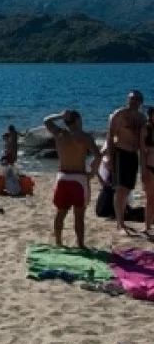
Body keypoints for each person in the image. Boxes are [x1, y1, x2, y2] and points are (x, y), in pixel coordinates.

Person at [44, 110, 100, 248]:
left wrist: (59, 115)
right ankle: (80, 244)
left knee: (61, 212)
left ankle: (58, 242)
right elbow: (98, 156)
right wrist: (93, 171)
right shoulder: (85, 137)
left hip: (62, 176)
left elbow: (46, 120)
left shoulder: (59, 134)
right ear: (78, 120)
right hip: (79, 178)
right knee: (79, 214)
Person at [105, 90, 146, 233]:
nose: (132, 102)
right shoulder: (119, 115)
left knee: (127, 189)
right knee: (120, 188)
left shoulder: (142, 118)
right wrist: (110, 158)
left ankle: (122, 219)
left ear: (141, 102)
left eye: (135, 99)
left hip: (133, 155)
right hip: (120, 153)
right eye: (130, 99)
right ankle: (120, 223)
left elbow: (143, 143)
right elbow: (110, 137)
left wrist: (144, 165)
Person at [141, 107, 154, 234]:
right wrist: (143, 169)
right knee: (150, 198)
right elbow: (143, 152)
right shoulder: (146, 129)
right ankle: (147, 225)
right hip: (150, 166)